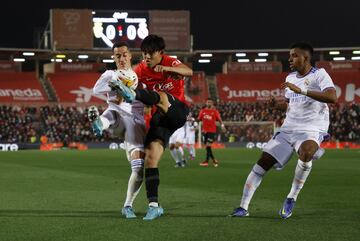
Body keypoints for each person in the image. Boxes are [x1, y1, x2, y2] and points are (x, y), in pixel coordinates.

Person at [230, 42, 337, 219]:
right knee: (263, 162)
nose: (290, 58)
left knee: (306, 152)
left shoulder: (320, 75)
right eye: (290, 55)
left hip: (311, 128)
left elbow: (332, 97)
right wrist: (275, 105)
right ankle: (243, 207)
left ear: (306, 58)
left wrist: (302, 90)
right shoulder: (290, 78)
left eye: (294, 55)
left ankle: (291, 197)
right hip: (289, 128)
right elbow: (290, 105)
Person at [109, 34, 193, 220]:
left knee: (161, 95)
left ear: (160, 53)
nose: (146, 57)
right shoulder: (140, 69)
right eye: (144, 54)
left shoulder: (169, 61)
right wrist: (119, 96)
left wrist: (170, 68)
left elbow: (189, 72)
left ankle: (134, 94)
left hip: (177, 110)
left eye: (150, 54)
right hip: (161, 118)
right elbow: (129, 77)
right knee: (150, 158)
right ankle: (154, 206)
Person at [88, 42, 146, 219]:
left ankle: (127, 206)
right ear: (113, 57)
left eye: (123, 54)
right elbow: (96, 90)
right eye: (117, 56)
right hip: (116, 116)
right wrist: (114, 85)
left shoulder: (138, 75)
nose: (121, 58)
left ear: (130, 55)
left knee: (139, 168)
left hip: (135, 125)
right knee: (113, 112)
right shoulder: (110, 74)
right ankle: (99, 123)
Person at [197, 98, 226, 167]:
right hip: (204, 131)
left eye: (210, 102)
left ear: (212, 103)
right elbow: (198, 119)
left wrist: (222, 126)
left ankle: (207, 161)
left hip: (212, 131)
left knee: (208, 145)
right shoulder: (202, 111)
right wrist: (193, 121)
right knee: (207, 147)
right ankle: (213, 160)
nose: (209, 103)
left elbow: (220, 120)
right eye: (208, 102)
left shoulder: (215, 111)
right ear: (206, 103)